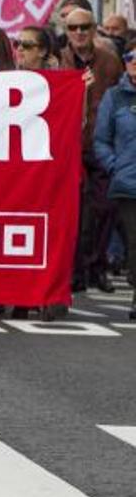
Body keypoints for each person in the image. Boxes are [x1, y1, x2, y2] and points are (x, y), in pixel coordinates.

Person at [58, 8, 122, 293]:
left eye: (85, 27)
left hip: (102, 143)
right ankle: (78, 269)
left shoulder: (109, 60)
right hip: (69, 144)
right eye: (74, 28)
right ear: (67, 31)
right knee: (76, 210)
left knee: (105, 207)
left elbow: (123, 96)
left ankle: (97, 266)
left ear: (94, 29)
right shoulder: (60, 60)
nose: (80, 33)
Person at [94, 42, 136, 319]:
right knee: (134, 243)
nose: (134, 62)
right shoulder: (115, 96)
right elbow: (101, 140)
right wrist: (115, 166)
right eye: (130, 57)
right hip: (128, 185)